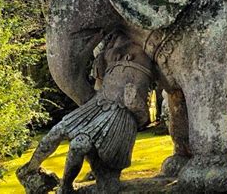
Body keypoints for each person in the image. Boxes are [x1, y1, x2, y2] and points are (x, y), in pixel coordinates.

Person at [17, 32, 154, 194]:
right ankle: (29, 170)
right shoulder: (113, 42)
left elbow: (143, 116)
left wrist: (135, 105)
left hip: (118, 115)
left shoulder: (151, 49)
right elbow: (99, 83)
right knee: (56, 131)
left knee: (79, 144)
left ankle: (65, 186)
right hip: (98, 104)